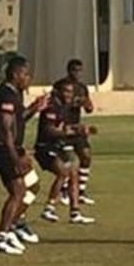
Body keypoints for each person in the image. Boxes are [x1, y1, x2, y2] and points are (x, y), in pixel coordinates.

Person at [0, 56, 47, 255]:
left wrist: (35, 109)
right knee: (18, 190)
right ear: (16, 74)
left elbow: (18, 122)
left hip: (9, 145)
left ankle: (15, 225)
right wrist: (15, 157)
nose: (29, 79)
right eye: (26, 75)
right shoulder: (6, 95)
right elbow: (5, 130)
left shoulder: (15, 94)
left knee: (33, 185)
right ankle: (1, 236)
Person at [36, 81, 96, 225]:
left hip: (57, 146)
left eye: (70, 92)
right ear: (57, 91)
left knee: (74, 171)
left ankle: (75, 213)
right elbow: (49, 130)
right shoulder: (51, 106)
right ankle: (49, 208)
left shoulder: (63, 107)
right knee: (64, 172)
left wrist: (80, 129)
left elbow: (64, 126)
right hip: (45, 148)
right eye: (66, 91)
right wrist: (66, 132)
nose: (69, 95)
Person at [55, 59, 96, 205]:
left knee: (86, 156)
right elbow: (56, 104)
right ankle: (65, 191)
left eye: (79, 71)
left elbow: (89, 109)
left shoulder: (82, 88)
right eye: (74, 70)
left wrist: (87, 105)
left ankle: (81, 191)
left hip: (77, 128)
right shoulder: (60, 85)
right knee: (69, 161)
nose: (77, 74)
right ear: (69, 71)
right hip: (62, 129)